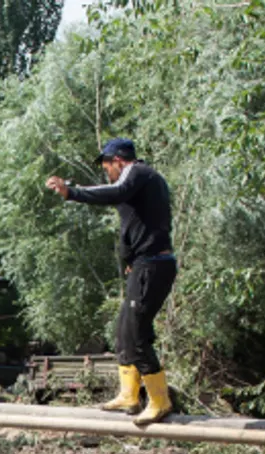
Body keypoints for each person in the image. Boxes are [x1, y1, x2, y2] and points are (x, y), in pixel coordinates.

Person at [46, 139, 177, 425]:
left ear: (118, 160)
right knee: (123, 331)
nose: (106, 171)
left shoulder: (138, 173)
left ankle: (160, 400)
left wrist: (72, 192)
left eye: (106, 165)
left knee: (138, 334)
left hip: (154, 265)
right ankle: (129, 395)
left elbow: (115, 191)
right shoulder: (136, 187)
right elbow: (133, 225)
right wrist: (129, 258)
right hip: (144, 265)